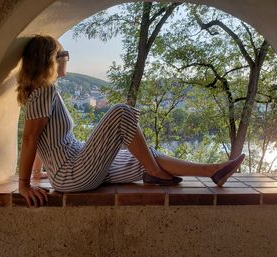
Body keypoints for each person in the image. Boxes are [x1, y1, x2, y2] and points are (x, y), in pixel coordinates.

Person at [17, 35, 245, 208]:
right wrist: (24, 185)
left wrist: (40, 172)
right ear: (50, 60)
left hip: (74, 165)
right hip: (72, 172)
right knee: (121, 112)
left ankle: (213, 171)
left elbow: (40, 138)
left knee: (141, 155)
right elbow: (29, 139)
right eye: (63, 53)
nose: (66, 58)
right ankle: (154, 171)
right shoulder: (44, 91)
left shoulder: (46, 92)